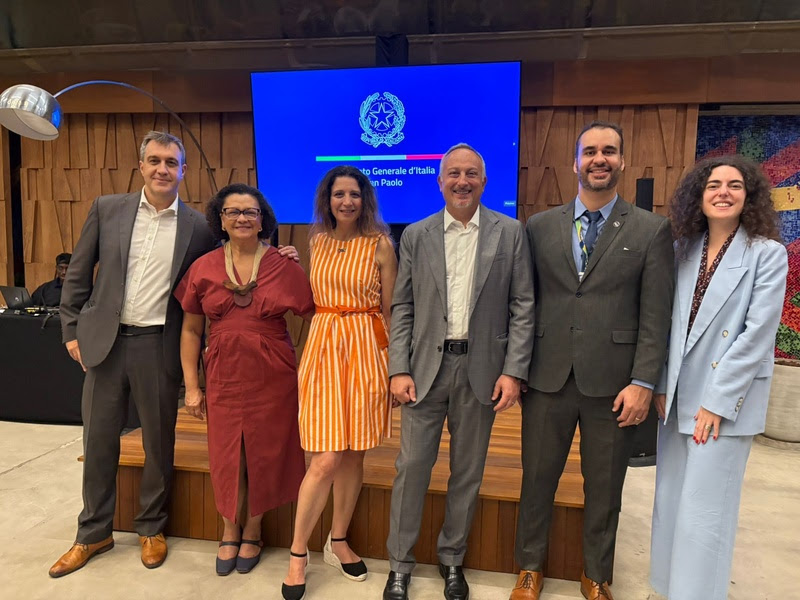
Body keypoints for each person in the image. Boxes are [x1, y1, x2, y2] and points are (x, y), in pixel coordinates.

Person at [511, 121, 674, 600]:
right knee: (537, 480)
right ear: (575, 162)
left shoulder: (651, 229)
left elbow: (656, 315)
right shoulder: (540, 226)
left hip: (615, 384)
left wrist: (644, 381)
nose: (599, 159)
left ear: (622, 161)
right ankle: (529, 568)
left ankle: (596, 575)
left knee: (604, 488)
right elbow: (523, 303)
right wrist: (516, 368)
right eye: (590, 152)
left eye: (609, 151)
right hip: (546, 378)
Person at [51, 131, 216, 577]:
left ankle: (151, 527)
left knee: (158, 443)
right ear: (141, 166)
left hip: (158, 346)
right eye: (155, 160)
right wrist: (72, 330)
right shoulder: (108, 209)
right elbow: (78, 272)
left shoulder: (198, 228)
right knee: (98, 442)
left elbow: (217, 279)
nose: (163, 169)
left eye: (171, 162)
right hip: (105, 345)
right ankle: (93, 533)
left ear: (184, 171)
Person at [383, 143, 535, 600]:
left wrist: (514, 371)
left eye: (471, 174)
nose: (462, 181)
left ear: (484, 182)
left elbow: (523, 305)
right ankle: (399, 565)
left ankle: (452, 558)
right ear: (440, 181)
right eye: (453, 173)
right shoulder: (417, 234)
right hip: (424, 370)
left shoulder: (510, 233)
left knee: (467, 472)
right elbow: (403, 306)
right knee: (411, 468)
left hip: (482, 370)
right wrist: (398, 368)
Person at [650, 155, 787, 600]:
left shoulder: (767, 254)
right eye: (713, 185)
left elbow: (757, 335)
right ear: (699, 195)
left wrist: (716, 402)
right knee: (670, 502)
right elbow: (667, 325)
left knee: (705, 512)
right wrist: (661, 384)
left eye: (734, 185)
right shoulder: (682, 250)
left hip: (723, 404)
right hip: (676, 397)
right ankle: (668, 589)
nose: (723, 192)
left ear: (750, 196)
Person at [175, 183, 314, 576]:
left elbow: (315, 317)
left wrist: (306, 366)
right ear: (220, 219)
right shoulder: (203, 267)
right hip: (223, 373)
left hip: (273, 375)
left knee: (265, 452)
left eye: (250, 212)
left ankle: (254, 528)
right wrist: (192, 386)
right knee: (226, 453)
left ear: (262, 219)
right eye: (232, 211)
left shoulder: (283, 265)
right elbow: (191, 330)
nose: (241, 218)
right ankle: (229, 528)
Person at [282, 166, 397, 600]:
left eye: (354, 194)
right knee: (326, 458)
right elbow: (312, 297)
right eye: (338, 194)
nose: (346, 201)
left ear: (365, 199)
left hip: (367, 347)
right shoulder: (316, 241)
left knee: (353, 453)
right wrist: (291, 266)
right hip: (325, 346)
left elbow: (392, 310)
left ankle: (339, 539)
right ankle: (298, 553)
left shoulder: (381, 244)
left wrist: (395, 367)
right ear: (327, 200)